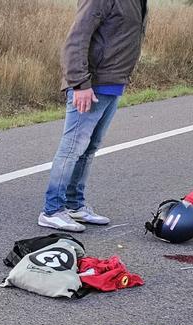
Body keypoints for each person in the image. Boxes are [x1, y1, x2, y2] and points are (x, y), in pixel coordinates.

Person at [39, 0, 148, 232]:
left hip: (112, 84)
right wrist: (79, 83)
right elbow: (76, 39)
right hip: (91, 85)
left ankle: (74, 205)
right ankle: (52, 210)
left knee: (89, 148)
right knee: (72, 149)